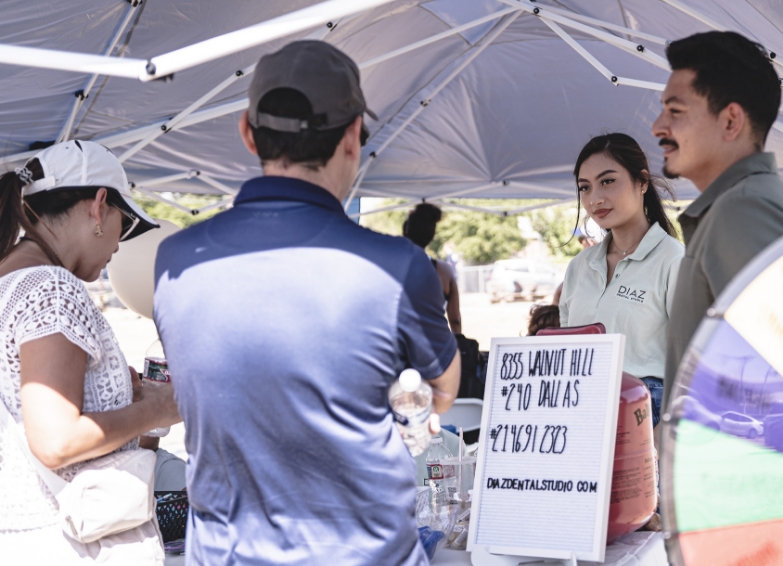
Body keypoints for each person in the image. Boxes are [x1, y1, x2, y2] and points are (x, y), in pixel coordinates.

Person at [152, 41, 461, 566]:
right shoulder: (397, 266)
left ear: (248, 133)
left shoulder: (176, 260)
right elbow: (443, 390)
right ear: (353, 135)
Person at [0, 140, 178, 562]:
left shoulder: (9, 281)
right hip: (69, 543)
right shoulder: (52, 287)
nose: (120, 243)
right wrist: (165, 407)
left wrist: (129, 407)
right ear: (100, 205)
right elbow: (58, 440)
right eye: (126, 222)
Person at [651, 31, 783, 413]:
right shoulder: (746, 203)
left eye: (675, 111)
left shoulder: (744, 211)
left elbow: (781, 388)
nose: (658, 126)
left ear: (730, 121)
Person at [559, 133, 684, 427]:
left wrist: (664, 434)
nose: (594, 199)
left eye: (607, 181)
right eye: (584, 188)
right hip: (581, 411)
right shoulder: (579, 267)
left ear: (642, 182)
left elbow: (691, 360)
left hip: (646, 416)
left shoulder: (673, 259)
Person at [403, 203, 462, 333]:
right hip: (434, 342)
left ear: (406, 230)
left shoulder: (390, 265)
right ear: (433, 234)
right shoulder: (443, 271)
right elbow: (454, 319)